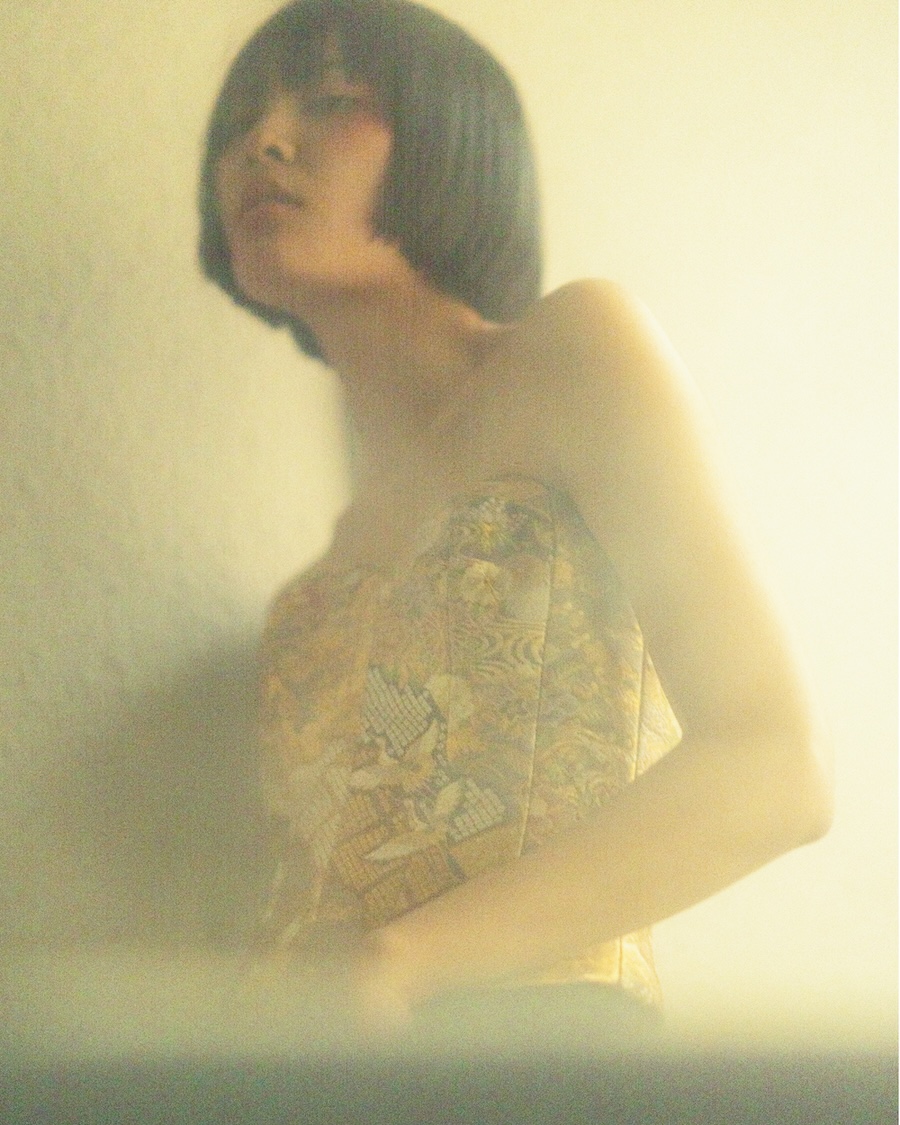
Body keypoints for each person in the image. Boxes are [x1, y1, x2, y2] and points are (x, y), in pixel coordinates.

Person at [199, 0, 832, 1036]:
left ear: (456, 139)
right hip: (293, 1075)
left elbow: (773, 767)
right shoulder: (310, 588)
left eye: (331, 99)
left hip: (540, 1062)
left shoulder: (576, 349)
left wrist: (401, 961)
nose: (261, 142)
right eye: (238, 125)